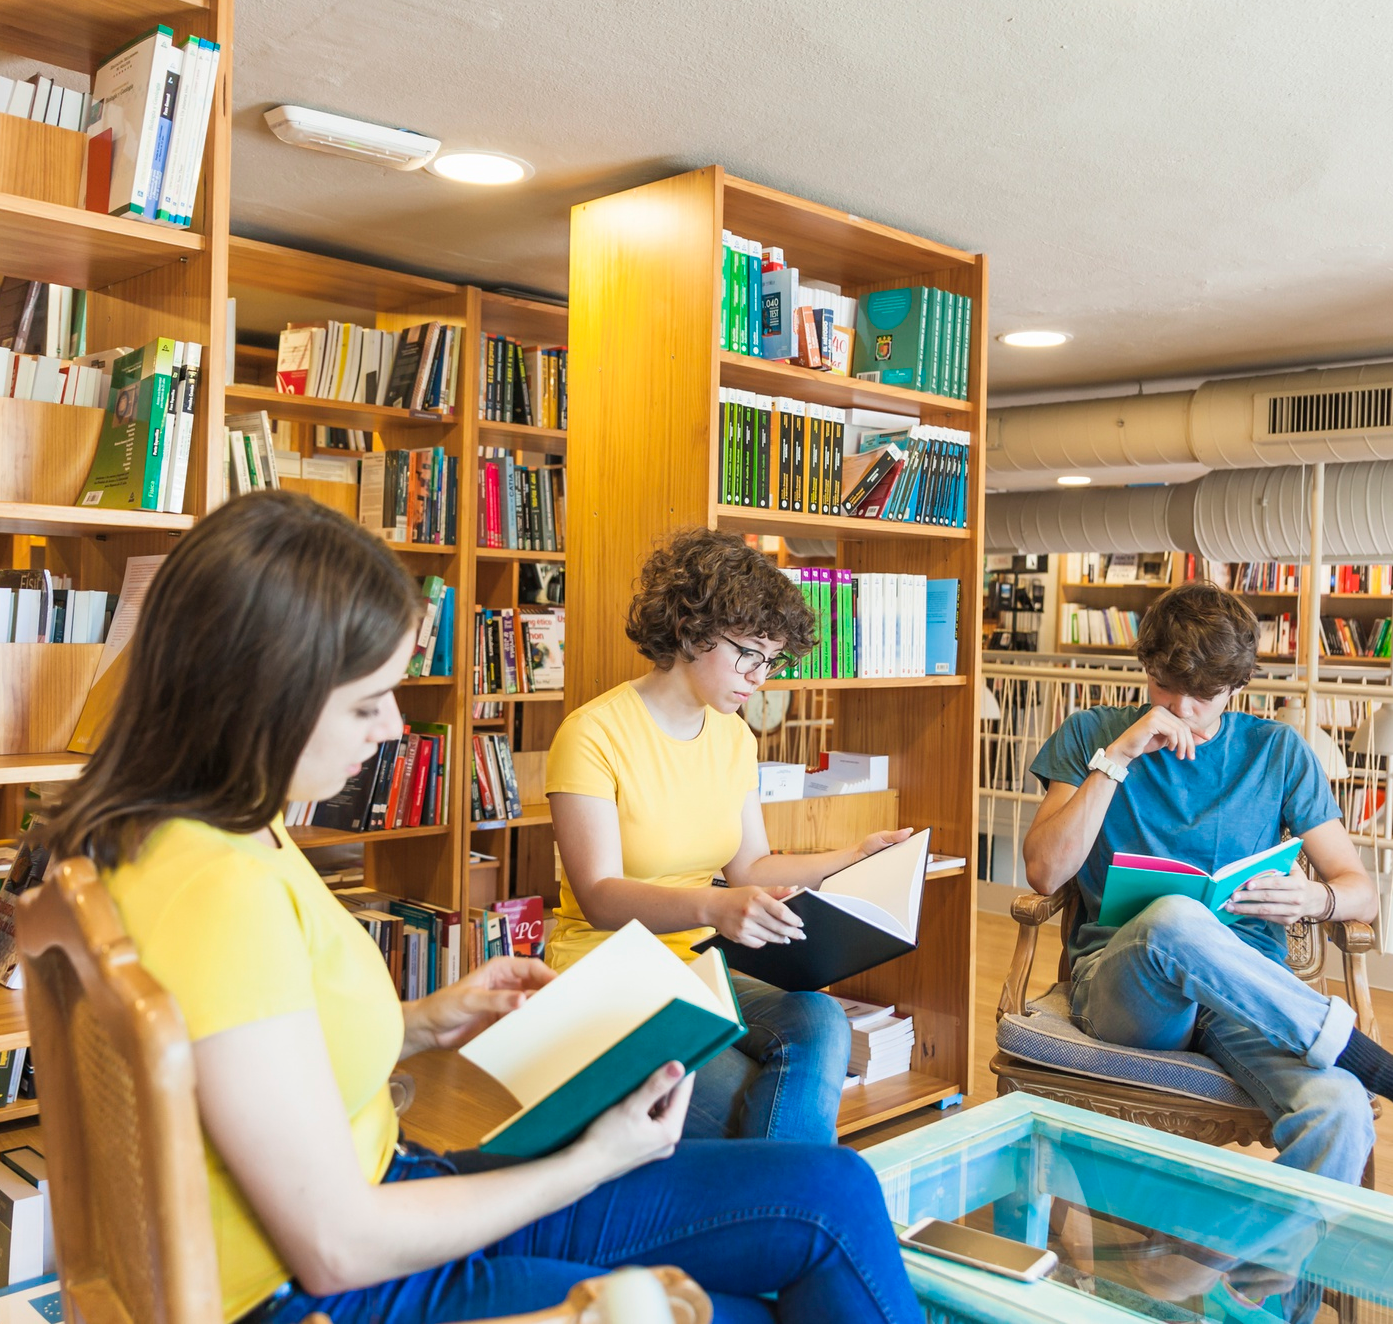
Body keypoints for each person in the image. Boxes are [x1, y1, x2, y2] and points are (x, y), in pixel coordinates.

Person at [41, 492, 924, 1324]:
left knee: (828, 1190)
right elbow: (336, 1247)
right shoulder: (219, 890)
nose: (392, 728)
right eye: (365, 699)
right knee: (792, 1256)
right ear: (260, 693)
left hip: (392, 1189)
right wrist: (592, 1159)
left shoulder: (201, 836)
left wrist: (424, 1021)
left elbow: (261, 1049)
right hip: (359, 1273)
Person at [1023, 580, 1393, 1197]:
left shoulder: (1276, 752)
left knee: (1342, 1114)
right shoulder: (1093, 733)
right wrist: (1118, 758)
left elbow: (1362, 891)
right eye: (1167, 687)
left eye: (1203, 695)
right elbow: (1044, 873)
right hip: (1125, 991)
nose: (1182, 708)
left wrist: (1316, 900)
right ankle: (1348, 1044)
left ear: (1238, 687)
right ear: (1146, 668)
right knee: (1171, 918)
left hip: (1243, 1000)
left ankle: (1242, 1289)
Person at [546, 527, 911, 1144]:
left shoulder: (734, 737)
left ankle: (777, 1203)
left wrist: (852, 857)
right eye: (749, 655)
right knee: (746, 1103)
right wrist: (714, 905)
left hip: (699, 965)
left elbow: (751, 867)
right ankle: (788, 1204)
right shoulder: (592, 735)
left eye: (770, 662)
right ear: (692, 632)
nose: (759, 677)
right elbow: (600, 897)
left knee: (820, 1019)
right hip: (605, 971)